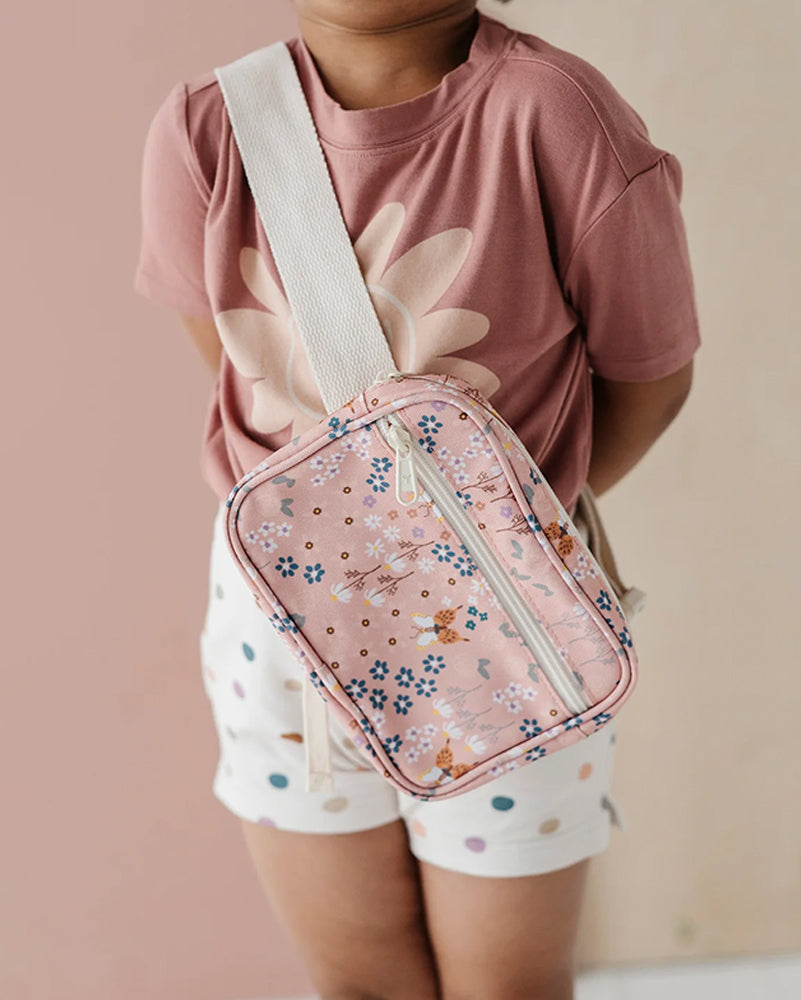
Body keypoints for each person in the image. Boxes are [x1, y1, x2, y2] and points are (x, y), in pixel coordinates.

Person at [133, 1, 700, 997]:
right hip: (283, 638)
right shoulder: (206, 128)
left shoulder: (553, 115)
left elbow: (648, 373)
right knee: (359, 979)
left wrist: (496, 534)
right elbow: (224, 355)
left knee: (507, 982)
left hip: (508, 627)